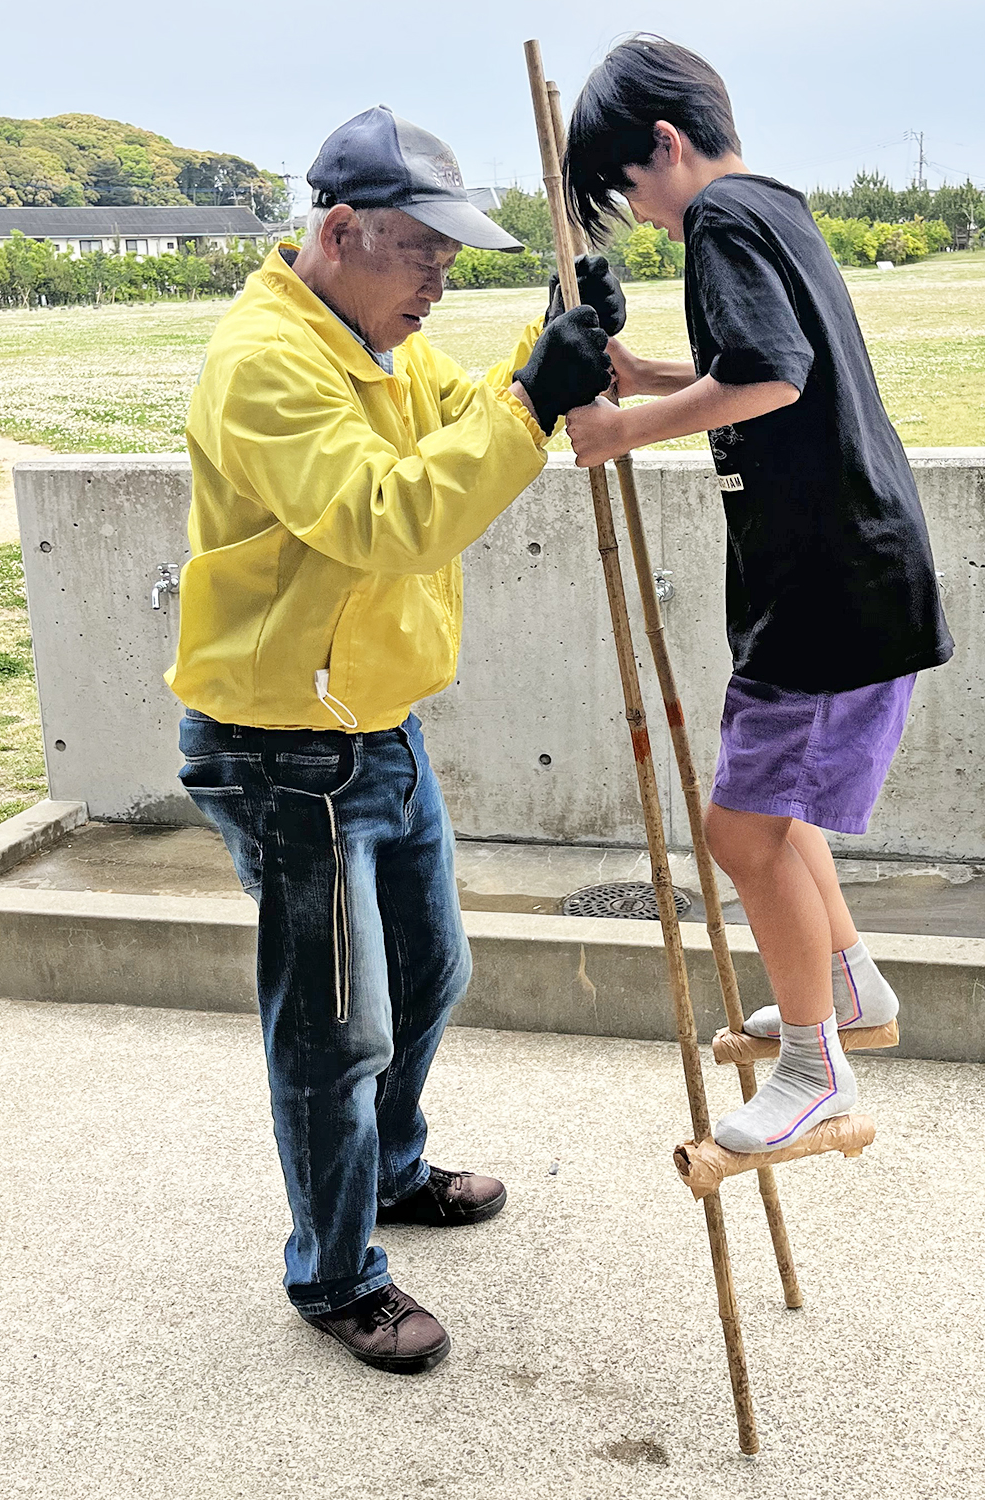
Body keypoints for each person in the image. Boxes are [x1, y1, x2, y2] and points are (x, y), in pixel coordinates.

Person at [167, 105, 622, 1372]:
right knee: (333, 1029)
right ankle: (332, 1276)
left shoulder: (374, 337)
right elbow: (386, 517)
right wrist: (537, 401)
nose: (439, 278)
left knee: (430, 976)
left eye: (452, 255)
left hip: (374, 723)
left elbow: (464, 411)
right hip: (284, 744)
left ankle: (391, 1169)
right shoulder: (269, 362)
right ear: (338, 230)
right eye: (421, 251)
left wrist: (550, 337)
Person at [561, 37, 954, 1156]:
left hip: (828, 586)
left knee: (739, 832)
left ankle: (812, 1071)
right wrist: (645, 378)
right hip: (850, 575)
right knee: (771, 816)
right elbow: (762, 366)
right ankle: (849, 989)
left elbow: (772, 374)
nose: (634, 213)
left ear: (664, 147)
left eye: (626, 187)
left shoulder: (720, 223)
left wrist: (623, 426)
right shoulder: (774, 208)